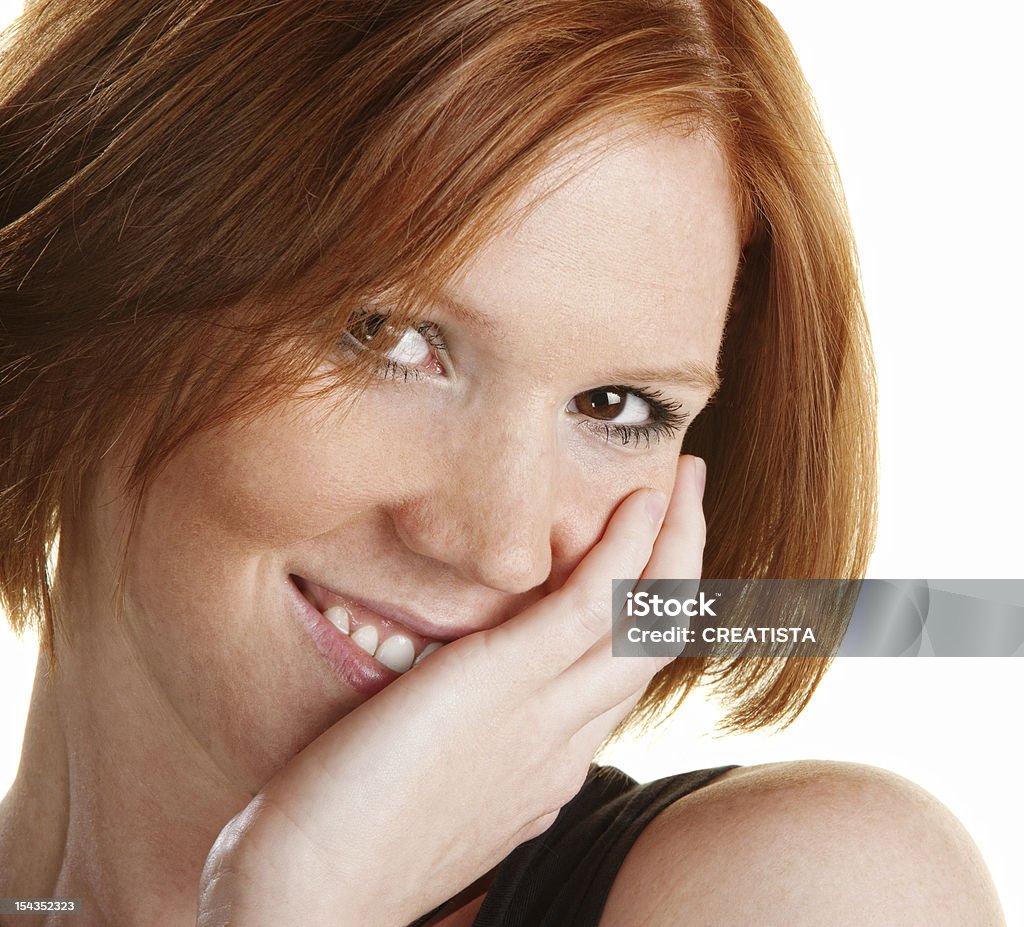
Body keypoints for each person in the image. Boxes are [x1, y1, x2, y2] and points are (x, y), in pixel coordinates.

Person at [0, 1, 1006, 925]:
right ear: (111, 265)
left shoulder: (813, 893)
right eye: (391, 336)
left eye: (617, 408)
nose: (504, 548)